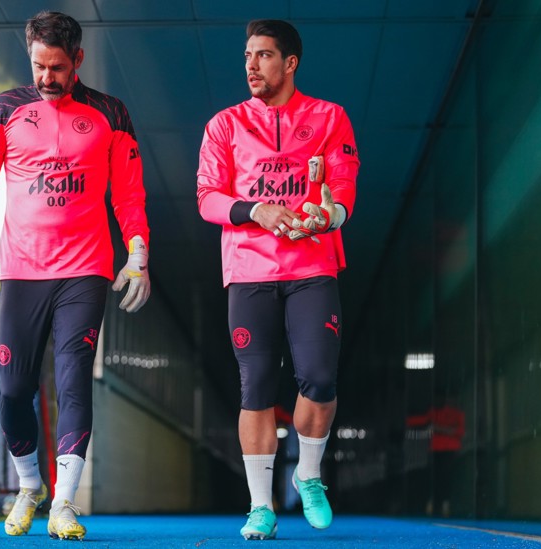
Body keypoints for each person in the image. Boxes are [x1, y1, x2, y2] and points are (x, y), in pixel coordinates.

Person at [0, 10, 151, 541]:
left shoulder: (110, 113)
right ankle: (30, 486)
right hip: (23, 270)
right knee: (13, 389)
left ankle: (65, 504)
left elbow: (128, 191)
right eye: (38, 66)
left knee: (74, 379)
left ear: (78, 59)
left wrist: (138, 252)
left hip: (86, 270)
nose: (47, 77)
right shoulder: (6, 108)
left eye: (57, 66)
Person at [196, 19, 359, 540]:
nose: (251, 65)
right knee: (257, 388)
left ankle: (309, 475)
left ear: (290, 63)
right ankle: (260, 506)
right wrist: (254, 210)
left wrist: (328, 216)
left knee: (319, 376)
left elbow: (343, 186)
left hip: (312, 266)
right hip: (248, 271)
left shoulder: (330, 117)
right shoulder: (224, 125)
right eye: (247, 55)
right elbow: (207, 197)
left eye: (264, 55)